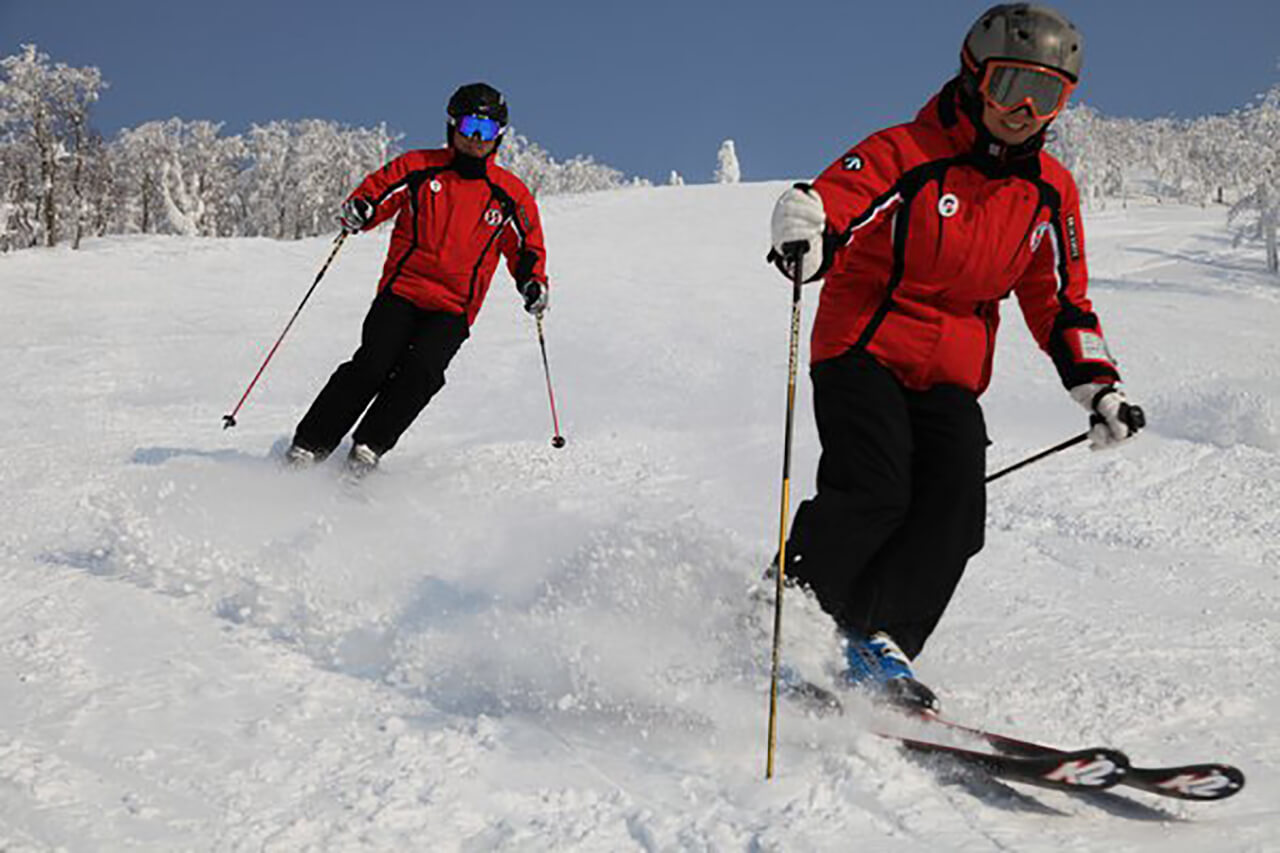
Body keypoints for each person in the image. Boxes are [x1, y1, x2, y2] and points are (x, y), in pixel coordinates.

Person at [767, 3, 1144, 710]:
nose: (1024, 109)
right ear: (974, 78)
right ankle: (782, 615)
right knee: (876, 487)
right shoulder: (907, 151)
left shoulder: (1049, 191)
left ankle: (874, 636)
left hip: (949, 372)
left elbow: (1059, 297)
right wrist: (808, 231)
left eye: (1048, 94)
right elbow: (839, 201)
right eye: (1009, 86)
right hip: (862, 347)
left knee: (956, 508)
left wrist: (1099, 385)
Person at [285, 83, 549, 475]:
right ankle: (309, 445)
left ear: (500, 137)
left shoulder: (509, 194)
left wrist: (532, 281)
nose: (476, 139)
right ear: (451, 125)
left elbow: (526, 247)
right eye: (470, 125)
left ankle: (368, 448)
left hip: (455, 308)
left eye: (487, 130)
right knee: (373, 364)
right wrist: (362, 208)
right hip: (402, 293)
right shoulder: (420, 167)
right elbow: (377, 194)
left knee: (423, 372)